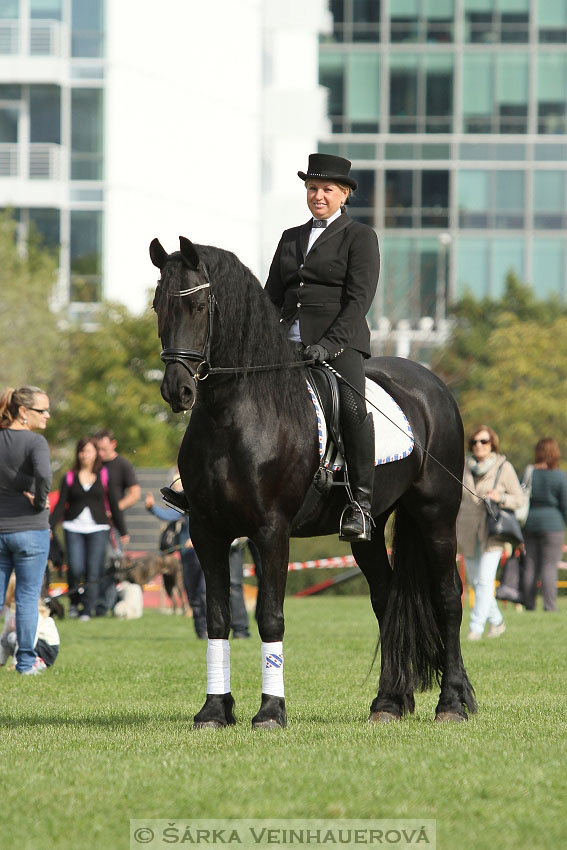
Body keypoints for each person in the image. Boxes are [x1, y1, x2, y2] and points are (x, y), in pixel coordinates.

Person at [161, 153, 380, 541]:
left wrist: (328, 346)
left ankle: (360, 502)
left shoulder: (359, 238)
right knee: (226, 397)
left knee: (351, 407)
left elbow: (358, 301)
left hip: (338, 345)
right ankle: (198, 483)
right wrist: (258, 341)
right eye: (312, 188)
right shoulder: (290, 237)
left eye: (327, 190)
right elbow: (270, 299)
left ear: (344, 195)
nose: (318, 196)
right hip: (284, 346)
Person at [0, 385, 52, 674]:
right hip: (31, 530)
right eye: (41, 410)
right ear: (23, 412)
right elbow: (44, 474)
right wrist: (41, 500)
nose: (47, 416)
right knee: (27, 599)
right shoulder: (35, 443)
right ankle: (26, 663)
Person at [457, 425, 524, 641]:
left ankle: (475, 628)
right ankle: (497, 622)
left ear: (492, 444)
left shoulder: (504, 467)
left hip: (493, 531)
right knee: (476, 581)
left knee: (485, 581)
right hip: (467, 529)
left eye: (484, 441)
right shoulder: (463, 467)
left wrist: (500, 498)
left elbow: (519, 499)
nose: (479, 445)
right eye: (475, 442)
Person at [50, 437, 127, 621]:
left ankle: (87, 609)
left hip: (98, 528)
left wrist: (123, 530)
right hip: (73, 527)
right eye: (82, 451)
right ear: (78, 454)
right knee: (76, 568)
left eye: (89, 451)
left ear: (96, 454)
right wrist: (50, 527)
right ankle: (75, 604)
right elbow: (60, 505)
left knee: (94, 570)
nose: (85, 455)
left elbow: (114, 505)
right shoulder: (69, 476)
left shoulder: (104, 475)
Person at [145, 491, 208, 639]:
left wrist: (198, 538)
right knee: (193, 594)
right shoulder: (188, 497)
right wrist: (153, 508)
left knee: (205, 592)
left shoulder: (212, 496)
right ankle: (201, 631)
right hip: (188, 554)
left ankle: (212, 630)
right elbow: (169, 515)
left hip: (207, 553)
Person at [93, 428, 140, 614]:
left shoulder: (122, 465)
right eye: (97, 449)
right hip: (91, 522)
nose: (100, 453)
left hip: (112, 524)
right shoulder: (93, 464)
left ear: (113, 444)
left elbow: (135, 494)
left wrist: (115, 509)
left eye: (103, 449)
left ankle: (106, 605)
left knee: (111, 563)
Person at [522, 438, 567, 613]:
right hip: (553, 525)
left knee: (530, 564)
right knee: (549, 565)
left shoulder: (529, 473)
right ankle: (549, 606)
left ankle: (528, 605)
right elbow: (565, 505)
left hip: (530, 523)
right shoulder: (560, 476)